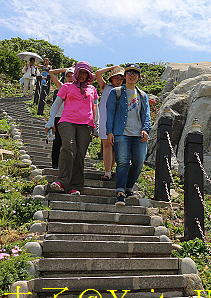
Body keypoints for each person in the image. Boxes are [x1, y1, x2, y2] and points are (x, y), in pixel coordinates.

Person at [49, 62, 98, 195]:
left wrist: (96, 125)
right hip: (67, 121)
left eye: (85, 73)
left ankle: (75, 186)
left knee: (79, 154)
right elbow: (56, 104)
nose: (82, 75)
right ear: (75, 73)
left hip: (86, 124)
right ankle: (62, 181)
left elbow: (94, 108)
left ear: (89, 75)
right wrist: (50, 121)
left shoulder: (92, 89)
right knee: (68, 147)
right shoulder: (67, 86)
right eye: (80, 72)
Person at [106, 63, 151, 206]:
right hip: (121, 133)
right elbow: (110, 113)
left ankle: (128, 188)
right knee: (123, 162)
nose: (132, 75)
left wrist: (146, 129)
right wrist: (110, 132)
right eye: (129, 72)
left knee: (138, 162)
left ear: (139, 77)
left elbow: (146, 114)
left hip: (138, 134)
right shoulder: (116, 92)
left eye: (135, 73)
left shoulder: (142, 95)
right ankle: (120, 192)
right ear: (125, 76)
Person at [95, 65, 125, 180]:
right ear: (111, 78)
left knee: (114, 146)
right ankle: (107, 172)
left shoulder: (124, 90)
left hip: (117, 121)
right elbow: (98, 73)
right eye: (117, 78)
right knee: (106, 145)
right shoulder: (105, 87)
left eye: (121, 79)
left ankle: (110, 170)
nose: (119, 81)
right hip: (104, 120)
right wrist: (111, 68)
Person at [45, 67, 74, 169]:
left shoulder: (79, 88)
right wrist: (67, 69)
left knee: (68, 143)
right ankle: (55, 164)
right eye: (68, 76)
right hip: (59, 116)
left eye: (73, 75)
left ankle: (66, 164)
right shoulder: (62, 86)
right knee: (57, 141)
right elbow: (51, 72)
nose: (70, 78)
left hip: (71, 118)